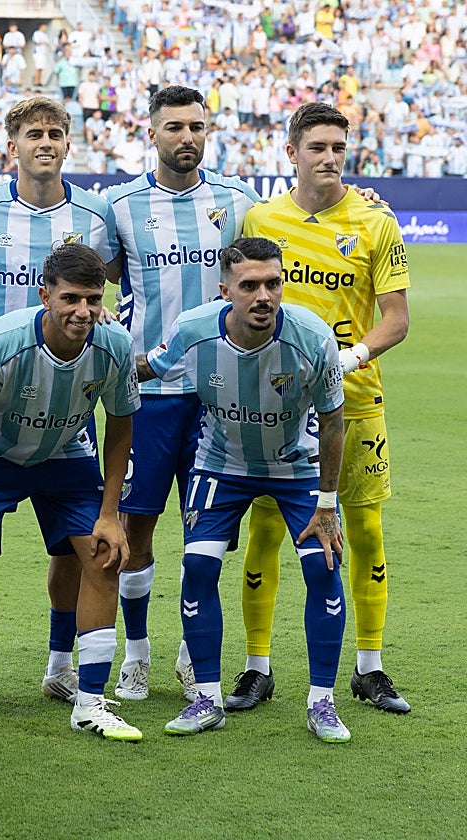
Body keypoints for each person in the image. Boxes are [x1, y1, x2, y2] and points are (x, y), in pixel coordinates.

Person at [0, 95, 118, 705]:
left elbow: (116, 276)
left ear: (68, 143)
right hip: (0, 398)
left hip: (68, 403)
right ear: (12, 146)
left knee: (75, 547)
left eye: (56, 133)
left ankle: (62, 666)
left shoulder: (96, 212)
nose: (46, 142)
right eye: (34, 133)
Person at [234, 102, 411, 715]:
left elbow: (397, 319)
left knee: (363, 528)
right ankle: (257, 667)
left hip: (356, 401)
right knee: (264, 529)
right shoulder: (261, 218)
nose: (330, 157)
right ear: (291, 153)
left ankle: (370, 666)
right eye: (318, 147)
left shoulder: (373, 222)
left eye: (339, 146)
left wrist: (351, 355)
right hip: (271, 406)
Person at [137, 237, 352, 743]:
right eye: (249, 285)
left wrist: (326, 503)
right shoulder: (193, 330)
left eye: (273, 283)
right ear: (224, 291)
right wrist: (88, 349)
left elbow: (335, 421)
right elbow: (149, 367)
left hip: (297, 468)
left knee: (323, 566)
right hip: (222, 464)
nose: (263, 296)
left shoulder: (312, 338)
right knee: (198, 565)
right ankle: (207, 698)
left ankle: (323, 702)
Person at [0, 243, 140, 747]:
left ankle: (89, 702)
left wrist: (110, 513)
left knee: (102, 557)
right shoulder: (2, 340)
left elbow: (120, 428)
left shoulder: (114, 344)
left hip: (67, 458)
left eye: (93, 299)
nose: (83, 312)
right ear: (44, 296)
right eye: (71, 298)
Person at [106, 85, 259, 703]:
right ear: (152, 133)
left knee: (212, 533)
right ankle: (136, 655)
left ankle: (193, 653)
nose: (187, 138)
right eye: (174, 127)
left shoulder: (239, 201)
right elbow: (101, 279)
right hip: (150, 395)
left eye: (197, 127)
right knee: (136, 529)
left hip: (220, 392)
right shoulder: (120, 205)